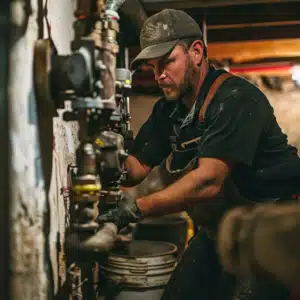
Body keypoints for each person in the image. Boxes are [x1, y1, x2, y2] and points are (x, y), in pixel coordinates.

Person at [97, 8, 300, 300]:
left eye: (167, 62)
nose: (159, 76)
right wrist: (103, 150)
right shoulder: (169, 110)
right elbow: (135, 169)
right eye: (153, 67)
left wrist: (132, 210)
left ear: (196, 52)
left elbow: (208, 182)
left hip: (270, 225)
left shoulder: (234, 98)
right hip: (218, 227)